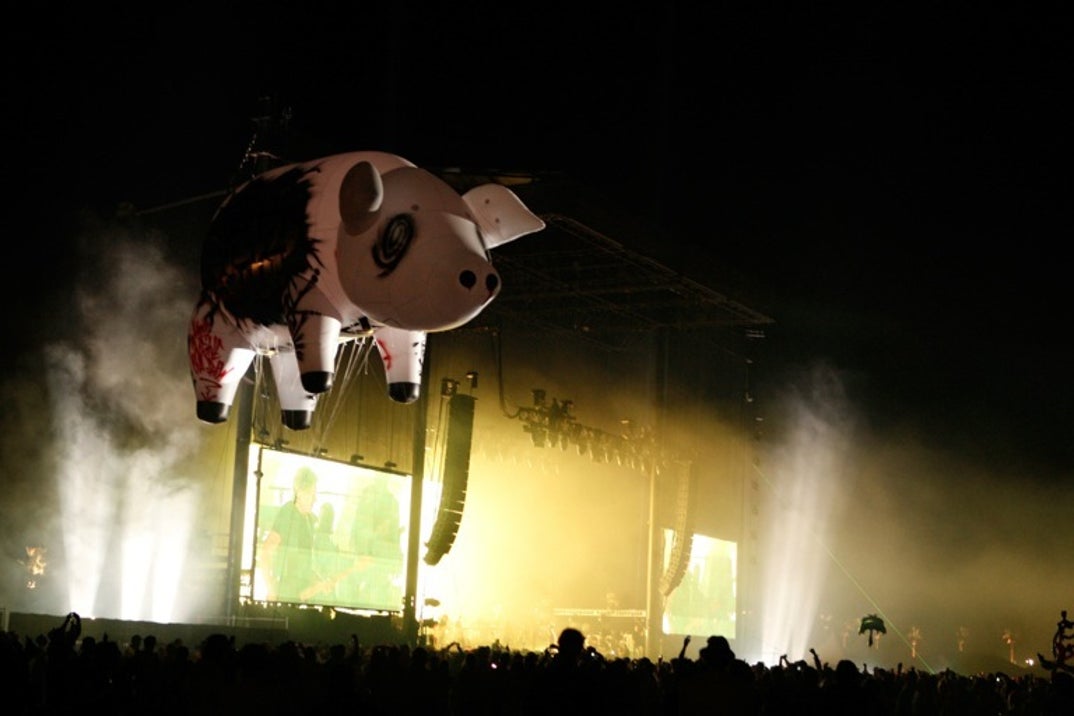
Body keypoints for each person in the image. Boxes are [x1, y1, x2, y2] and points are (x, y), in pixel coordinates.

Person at [259, 466, 321, 603]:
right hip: (286, 595)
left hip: (301, 597)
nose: (315, 499)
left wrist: (318, 582)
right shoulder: (287, 513)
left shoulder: (309, 521)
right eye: (311, 493)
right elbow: (266, 551)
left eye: (315, 493)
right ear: (299, 492)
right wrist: (271, 587)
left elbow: (304, 564)